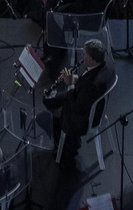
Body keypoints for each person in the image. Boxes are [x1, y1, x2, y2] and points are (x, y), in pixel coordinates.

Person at [42, 39, 113, 169]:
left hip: (83, 117)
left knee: (47, 106)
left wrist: (70, 84)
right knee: (52, 99)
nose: (82, 56)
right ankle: (70, 140)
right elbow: (86, 82)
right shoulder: (104, 67)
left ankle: (67, 146)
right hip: (86, 100)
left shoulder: (93, 85)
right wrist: (74, 79)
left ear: (91, 60)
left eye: (84, 54)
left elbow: (77, 106)